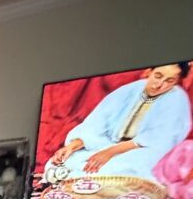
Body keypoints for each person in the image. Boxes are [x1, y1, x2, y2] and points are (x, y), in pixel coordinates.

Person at [49, 63, 192, 177]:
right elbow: (97, 122)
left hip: (142, 151)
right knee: (60, 163)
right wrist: (72, 146)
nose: (159, 84)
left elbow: (158, 138)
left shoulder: (177, 99)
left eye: (169, 81)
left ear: (176, 82)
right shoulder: (130, 89)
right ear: (149, 72)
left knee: (114, 169)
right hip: (109, 143)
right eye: (158, 76)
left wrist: (110, 153)